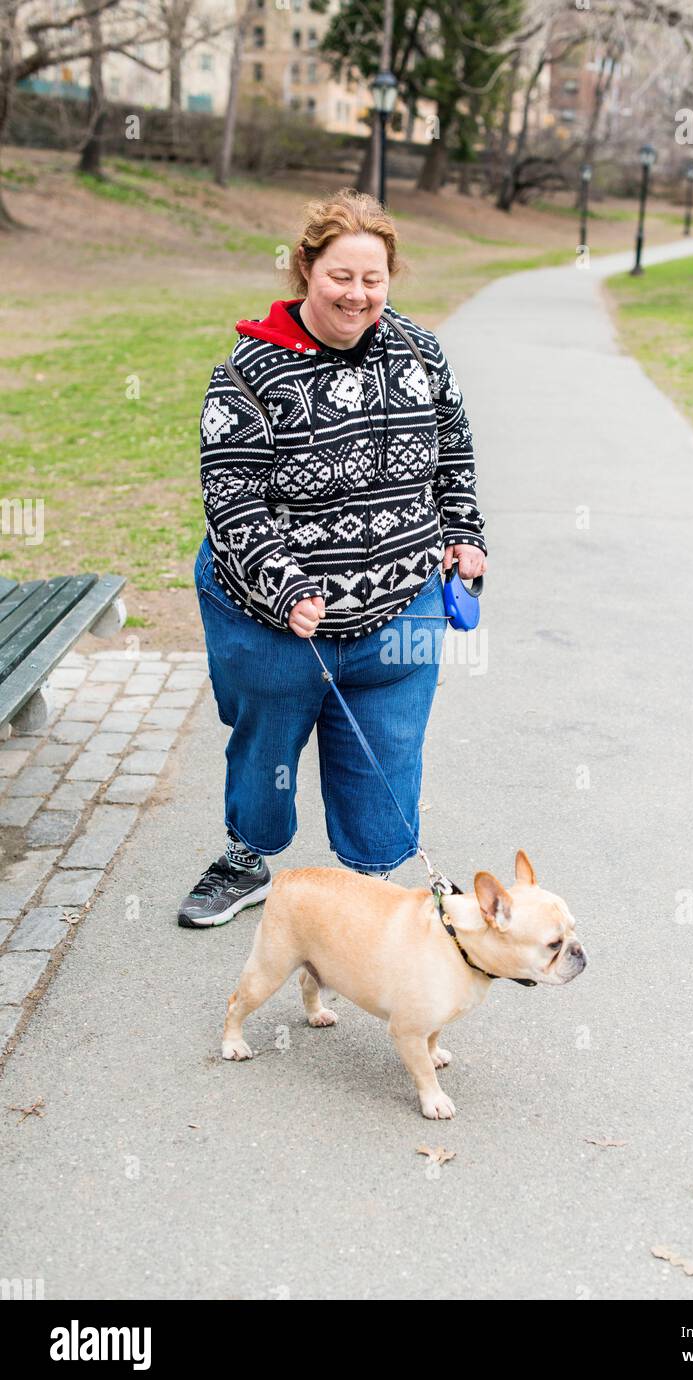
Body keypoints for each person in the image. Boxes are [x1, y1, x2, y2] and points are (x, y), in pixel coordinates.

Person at [178, 188, 488, 928]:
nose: (357, 294)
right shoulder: (250, 372)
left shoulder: (419, 352)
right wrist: (284, 586)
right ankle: (247, 858)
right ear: (305, 271)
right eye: (340, 276)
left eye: (372, 279)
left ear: (389, 279)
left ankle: (373, 891)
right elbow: (233, 497)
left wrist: (465, 532)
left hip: (401, 607)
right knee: (265, 747)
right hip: (276, 619)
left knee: (389, 757)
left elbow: (455, 454)